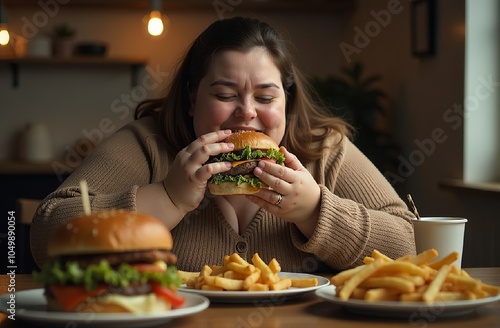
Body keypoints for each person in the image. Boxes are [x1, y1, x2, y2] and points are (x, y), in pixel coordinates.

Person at [31, 16, 416, 273]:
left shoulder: (324, 149)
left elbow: (411, 244)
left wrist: (316, 211)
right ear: (191, 98)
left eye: (265, 98)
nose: (246, 113)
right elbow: (46, 236)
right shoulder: (147, 144)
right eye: (225, 94)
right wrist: (167, 199)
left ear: (288, 101)